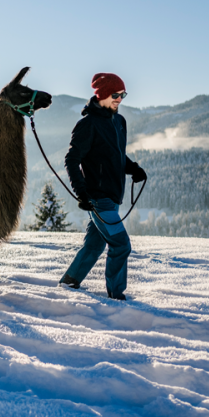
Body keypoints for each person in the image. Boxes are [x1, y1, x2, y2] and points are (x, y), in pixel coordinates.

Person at [60, 73, 147, 300]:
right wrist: (82, 192)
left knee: (94, 245)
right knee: (121, 245)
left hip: (113, 197)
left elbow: (115, 156)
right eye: (116, 95)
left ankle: (69, 282)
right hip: (98, 198)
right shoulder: (88, 124)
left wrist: (133, 169)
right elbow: (71, 160)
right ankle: (116, 296)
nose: (120, 99)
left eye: (123, 94)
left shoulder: (119, 122)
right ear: (102, 95)